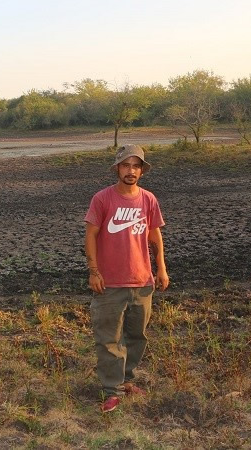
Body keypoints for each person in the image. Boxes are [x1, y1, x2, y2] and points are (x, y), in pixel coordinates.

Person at [83, 144, 169, 413]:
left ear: (141, 171)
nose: (130, 171)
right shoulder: (102, 199)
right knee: (108, 338)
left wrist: (161, 268)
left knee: (136, 336)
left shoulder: (148, 200)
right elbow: (91, 236)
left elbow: (155, 236)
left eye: (136, 166)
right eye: (125, 165)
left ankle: (127, 381)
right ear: (117, 168)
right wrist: (94, 271)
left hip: (142, 282)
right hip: (110, 283)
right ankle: (112, 390)